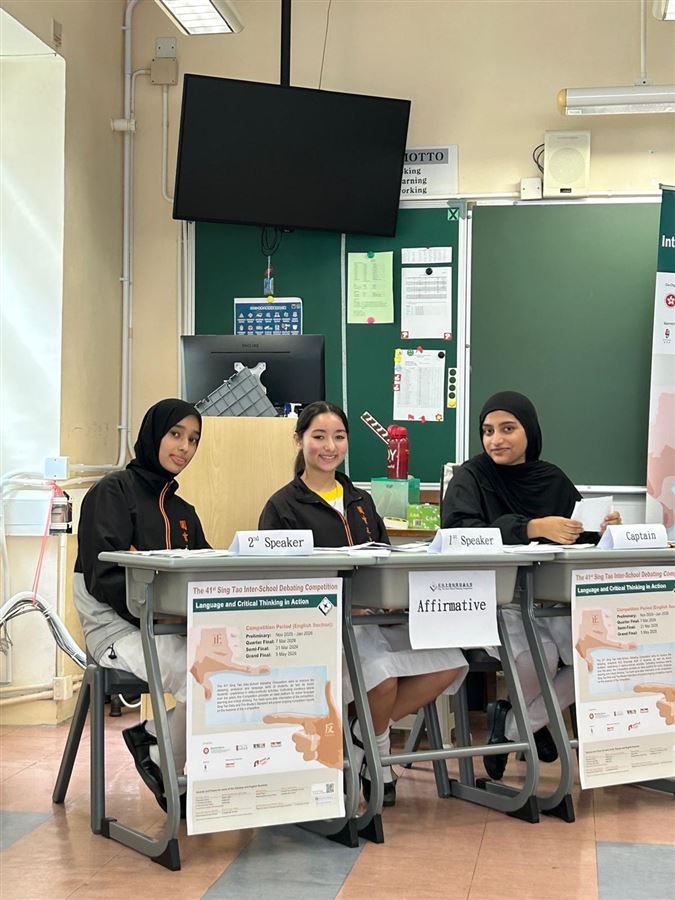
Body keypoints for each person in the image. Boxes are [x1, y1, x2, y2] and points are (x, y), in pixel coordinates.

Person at [259, 400, 468, 806]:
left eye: (338, 437)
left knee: (450, 662)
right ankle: (379, 757)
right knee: (382, 679)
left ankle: (362, 734)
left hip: (376, 621)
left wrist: (393, 601)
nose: (329, 447)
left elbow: (384, 558)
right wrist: (343, 606)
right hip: (325, 628)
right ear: (299, 440)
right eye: (319, 436)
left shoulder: (360, 500)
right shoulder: (282, 506)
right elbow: (278, 583)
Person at [441, 390, 621, 780]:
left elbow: (579, 534)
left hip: (552, 602)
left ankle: (513, 726)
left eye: (508, 429)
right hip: (493, 599)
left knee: (596, 656)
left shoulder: (551, 479)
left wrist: (604, 529)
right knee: (537, 656)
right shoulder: (470, 477)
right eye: (488, 430)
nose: (496, 439)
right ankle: (532, 725)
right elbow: (458, 531)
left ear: (530, 432)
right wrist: (530, 528)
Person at [73, 398, 210, 810]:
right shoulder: (112, 492)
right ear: (153, 435)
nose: (184, 447)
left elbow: (205, 573)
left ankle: (153, 738)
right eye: (176, 434)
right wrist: (164, 614)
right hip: (115, 630)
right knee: (204, 677)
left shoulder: (184, 512)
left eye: (193, 439)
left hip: (171, 628)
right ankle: (167, 766)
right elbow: (104, 577)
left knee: (239, 666)